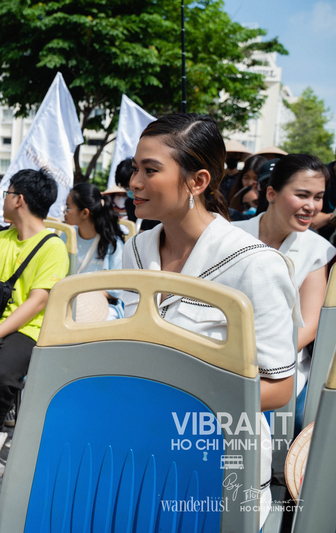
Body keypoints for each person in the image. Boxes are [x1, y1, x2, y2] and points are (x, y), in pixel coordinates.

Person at [124, 113, 300, 529]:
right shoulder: (132, 252)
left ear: (198, 181)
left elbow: (279, 387)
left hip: (214, 463)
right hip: (134, 446)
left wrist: (182, 404)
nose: (134, 182)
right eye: (135, 168)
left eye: (150, 170)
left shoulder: (255, 265)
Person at [0, 168, 69, 494]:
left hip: (28, 329)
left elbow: (37, 302)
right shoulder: (1, 239)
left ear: (18, 199)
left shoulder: (53, 248)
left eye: (6, 193)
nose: (3, 199)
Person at [233, 154, 335, 433]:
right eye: (302, 194)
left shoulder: (318, 250)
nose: (311, 206)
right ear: (271, 193)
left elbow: (310, 323)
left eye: (318, 197)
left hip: (281, 364)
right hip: (224, 353)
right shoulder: (230, 236)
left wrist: (260, 357)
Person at [63, 182, 125, 319]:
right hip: (67, 299)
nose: (64, 212)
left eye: (68, 207)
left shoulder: (113, 244)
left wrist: (85, 295)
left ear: (84, 213)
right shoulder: (66, 235)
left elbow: (117, 290)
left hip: (104, 305)